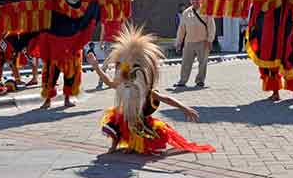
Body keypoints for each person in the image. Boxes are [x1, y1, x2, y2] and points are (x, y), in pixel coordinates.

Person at [86, 24, 215, 155]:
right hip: (124, 116)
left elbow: (166, 98)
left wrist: (184, 108)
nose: (128, 82)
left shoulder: (145, 90)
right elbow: (108, 81)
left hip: (139, 120)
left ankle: (132, 144)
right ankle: (115, 144)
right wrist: (96, 66)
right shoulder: (121, 84)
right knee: (115, 122)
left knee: (139, 130)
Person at [174, 0, 216, 88]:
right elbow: (181, 29)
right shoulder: (186, 13)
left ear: (201, 0)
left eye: (197, 0)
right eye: (193, 0)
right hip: (189, 42)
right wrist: (179, 42)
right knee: (185, 63)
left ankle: (200, 81)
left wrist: (210, 40)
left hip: (203, 42)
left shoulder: (206, 11)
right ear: (190, 0)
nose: (195, 2)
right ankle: (182, 81)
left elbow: (211, 27)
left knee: (203, 63)